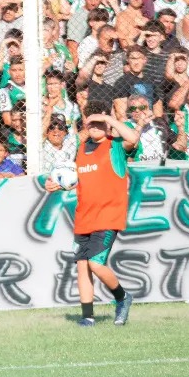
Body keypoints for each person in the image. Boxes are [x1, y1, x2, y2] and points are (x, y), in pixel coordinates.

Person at [45, 109, 138, 327]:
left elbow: (133, 138)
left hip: (107, 216)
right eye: (91, 124)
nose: (95, 127)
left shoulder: (115, 145)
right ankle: (87, 317)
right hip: (84, 216)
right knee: (82, 266)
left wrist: (108, 119)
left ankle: (122, 297)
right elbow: (79, 180)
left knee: (96, 264)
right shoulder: (82, 149)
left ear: (108, 125)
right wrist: (56, 185)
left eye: (100, 124)